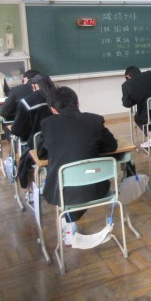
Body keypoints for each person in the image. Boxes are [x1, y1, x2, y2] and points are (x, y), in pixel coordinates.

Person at [38, 86, 118, 245]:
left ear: (53, 109)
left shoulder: (48, 124)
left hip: (62, 191)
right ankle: (70, 222)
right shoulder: (94, 120)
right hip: (96, 187)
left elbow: (41, 154)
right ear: (78, 103)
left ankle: (68, 224)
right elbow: (112, 146)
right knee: (89, 172)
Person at [12, 74, 56, 195]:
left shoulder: (27, 101)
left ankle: (31, 192)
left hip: (37, 145)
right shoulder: (60, 98)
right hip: (60, 140)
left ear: (34, 86)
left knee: (26, 157)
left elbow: (17, 130)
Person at [121, 66, 151, 148]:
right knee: (150, 112)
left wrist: (136, 99)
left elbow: (127, 104)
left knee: (138, 117)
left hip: (146, 114)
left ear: (127, 75)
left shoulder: (126, 85)